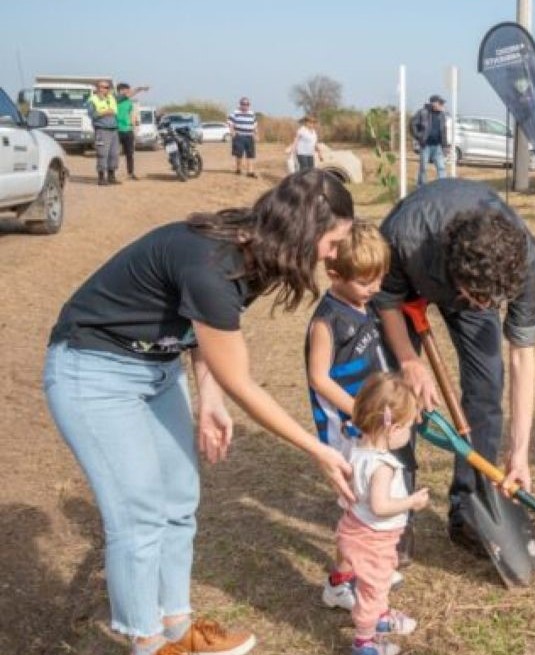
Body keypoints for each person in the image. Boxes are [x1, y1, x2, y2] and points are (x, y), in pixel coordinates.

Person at [44, 170, 357, 655]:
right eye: (332, 243)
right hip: (94, 371)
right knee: (139, 512)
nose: (333, 256)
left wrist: (209, 399)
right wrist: (316, 449)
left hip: (157, 368)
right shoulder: (212, 263)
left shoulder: (254, 258)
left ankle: (176, 629)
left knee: (179, 499)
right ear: (302, 232)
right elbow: (242, 383)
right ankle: (148, 643)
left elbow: (200, 331)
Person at [373, 178, 535, 553]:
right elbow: (385, 300)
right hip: (409, 279)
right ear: (459, 277)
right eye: (479, 298)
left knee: (487, 387)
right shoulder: (404, 237)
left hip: (469, 276)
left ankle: (469, 508)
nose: (486, 307)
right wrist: (409, 360)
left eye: (493, 301)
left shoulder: (524, 261)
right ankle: (394, 515)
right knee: (396, 396)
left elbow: (521, 355)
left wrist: (519, 453)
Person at [306, 222, 417, 611]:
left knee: (368, 497)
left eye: (379, 279)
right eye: (365, 281)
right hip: (345, 427)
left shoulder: (362, 305)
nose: (374, 288)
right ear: (334, 273)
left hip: (366, 421)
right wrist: (361, 411)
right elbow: (319, 377)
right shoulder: (328, 320)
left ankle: (365, 565)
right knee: (355, 504)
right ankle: (341, 581)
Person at [335, 373, 428, 655]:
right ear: (394, 427)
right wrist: (411, 501)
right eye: (409, 427)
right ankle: (365, 641)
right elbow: (380, 506)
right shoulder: (383, 465)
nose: (409, 433)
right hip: (373, 539)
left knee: (379, 581)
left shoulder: (354, 449)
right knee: (372, 591)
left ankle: (383, 617)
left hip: (356, 529)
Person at [410, 95, 450, 186]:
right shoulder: (422, 112)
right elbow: (413, 124)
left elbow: (443, 131)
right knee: (423, 168)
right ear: (434, 103)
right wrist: (419, 136)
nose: (442, 105)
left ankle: (442, 186)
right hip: (426, 146)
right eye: (440, 103)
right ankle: (421, 186)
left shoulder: (442, 115)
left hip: (437, 146)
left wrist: (445, 145)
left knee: (441, 167)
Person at [88, 79, 120, 186]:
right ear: (98, 88)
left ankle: (111, 176)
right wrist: (105, 112)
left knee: (114, 154)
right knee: (102, 154)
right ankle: (101, 178)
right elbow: (92, 115)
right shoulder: (93, 100)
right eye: (103, 87)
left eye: (107, 87)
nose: (106, 89)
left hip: (114, 130)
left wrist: (139, 89)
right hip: (102, 130)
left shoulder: (111, 98)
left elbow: (125, 96)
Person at [115, 82, 150, 181]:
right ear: (121, 91)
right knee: (115, 153)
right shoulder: (115, 100)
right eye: (127, 90)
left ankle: (130, 173)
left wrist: (134, 126)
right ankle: (113, 174)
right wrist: (140, 88)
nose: (129, 92)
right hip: (117, 130)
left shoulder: (129, 102)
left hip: (128, 130)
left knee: (130, 153)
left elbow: (131, 114)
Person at [227, 96, 259, 178]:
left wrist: (256, 134)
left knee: (250, 155)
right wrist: (232, 132)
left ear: (249, 105)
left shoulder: (252, 114)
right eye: (243, 104)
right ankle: (238, 169)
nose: (245, 106)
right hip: (239, 136)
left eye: (247, 104)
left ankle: (250, 172)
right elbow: (230, 123)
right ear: (240, 104)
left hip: (249, 136)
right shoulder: (235, 113)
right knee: (239, 154)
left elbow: (255, 125)